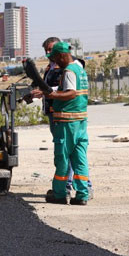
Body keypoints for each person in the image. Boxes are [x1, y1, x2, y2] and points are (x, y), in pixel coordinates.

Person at [37, 41, 91, 205]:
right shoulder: (80, 69)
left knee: (62, 158)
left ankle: (60, 193)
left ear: (61, 56)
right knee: (79, 159)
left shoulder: (68, 71)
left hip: (67, 122)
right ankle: (82, 194)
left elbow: (70, 93)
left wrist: (51, 96)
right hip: (80, 121)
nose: (54, 62)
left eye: (54, 58)